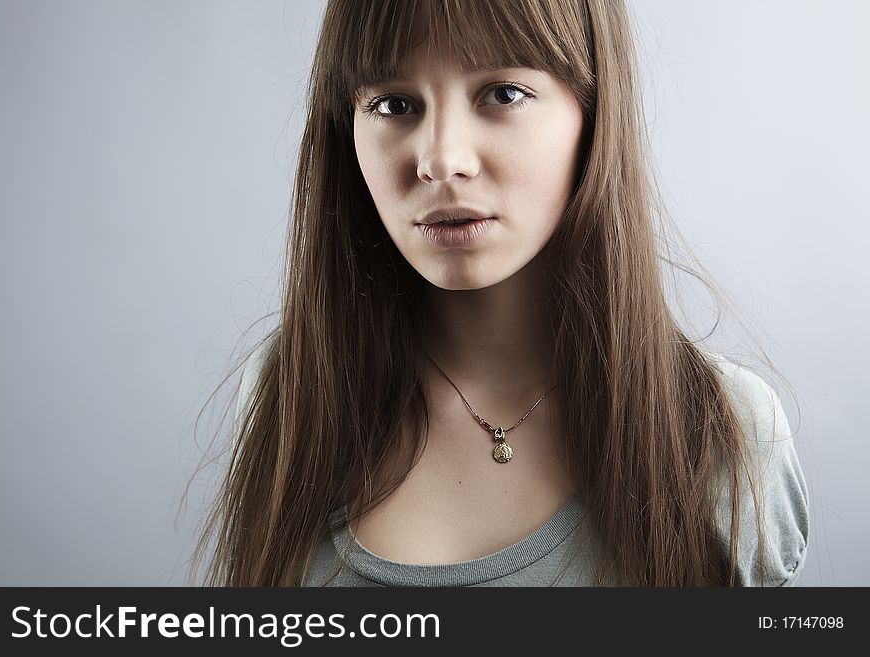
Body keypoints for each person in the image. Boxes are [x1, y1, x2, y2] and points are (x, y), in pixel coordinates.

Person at [193, 0, 809, 587]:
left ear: (594, 114)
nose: (440, 160)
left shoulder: (723, 435)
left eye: (503, 94)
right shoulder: (292, 383)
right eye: (393, 104)